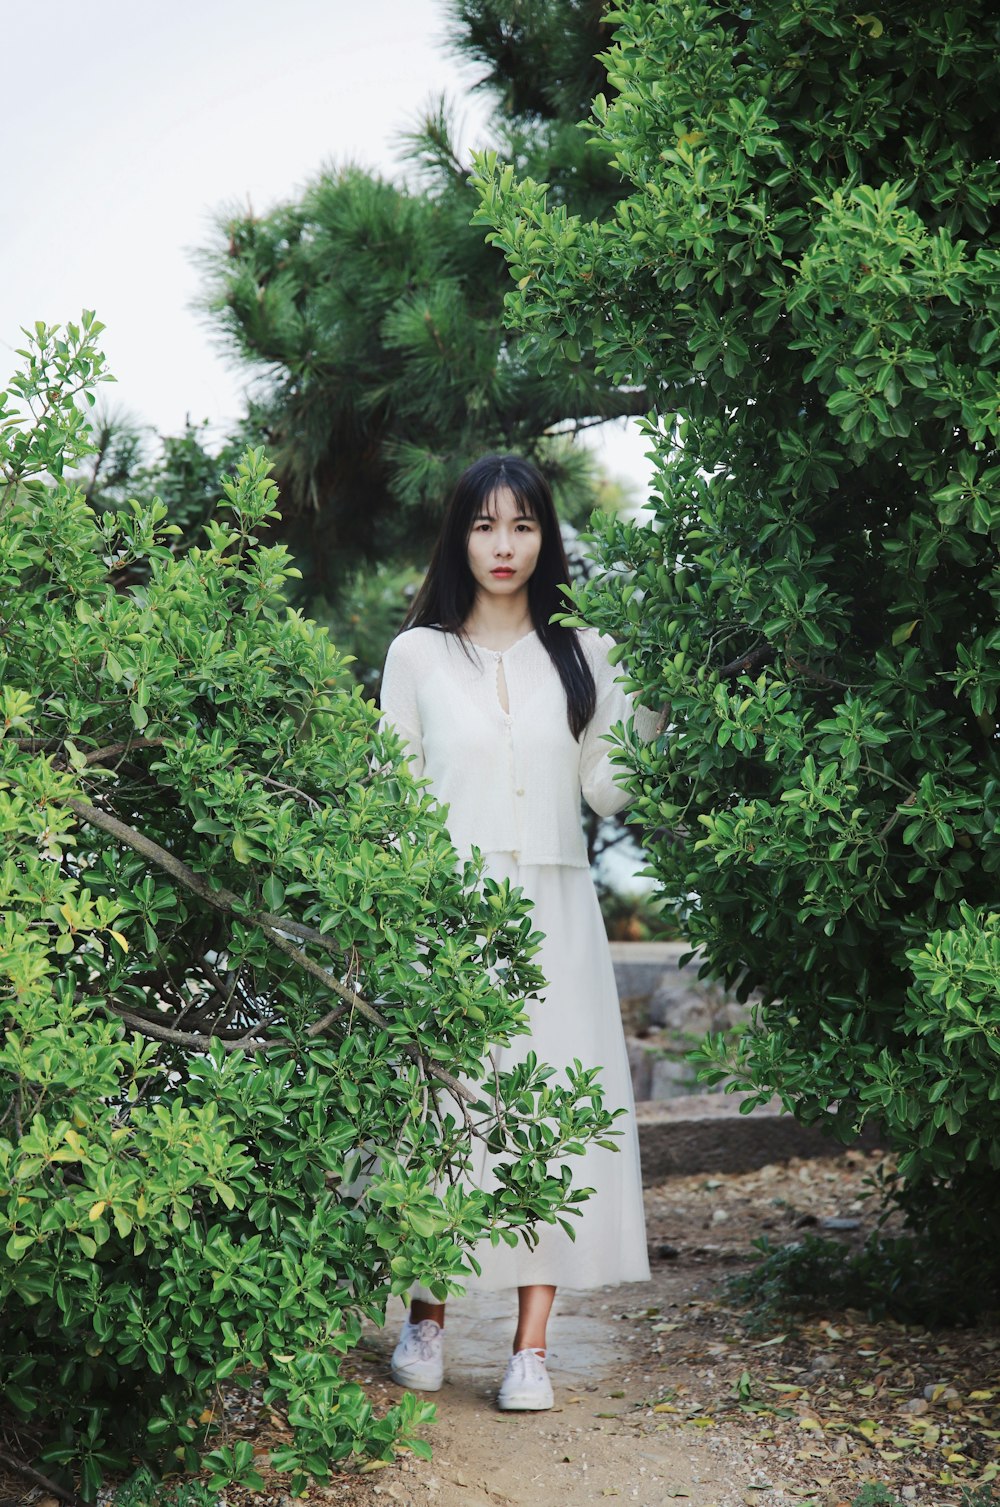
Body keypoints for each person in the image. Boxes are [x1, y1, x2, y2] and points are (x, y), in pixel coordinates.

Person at [378, 453, 660, 1412]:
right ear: (460, 536)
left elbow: (606, 788)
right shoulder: (416, 653)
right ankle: (427, 1315)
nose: (505, 546)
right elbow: (394, 797)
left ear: (546, 536)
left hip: (556, 910)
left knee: (546, 1115)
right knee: (443, 1109)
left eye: (524, 526)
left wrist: (652, 695)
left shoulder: (587, 651)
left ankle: (529, 1347)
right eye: (486, 526)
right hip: (446, 915)